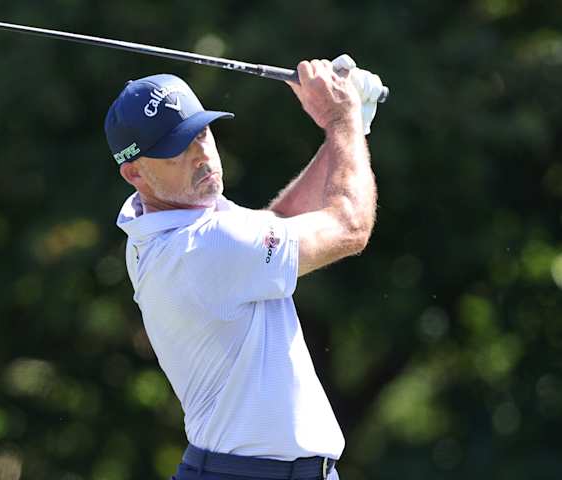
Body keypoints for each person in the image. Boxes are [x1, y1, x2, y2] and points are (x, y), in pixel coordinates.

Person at [104, 56, 383, 480]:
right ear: (134, 172)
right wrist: (340, 118)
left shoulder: (166, 225)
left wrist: (346, 130)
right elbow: (349, 226)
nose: (200, 153)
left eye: (200, 132)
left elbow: (277, 228)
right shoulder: (201, 245)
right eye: (176, 148)